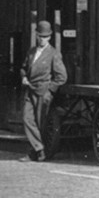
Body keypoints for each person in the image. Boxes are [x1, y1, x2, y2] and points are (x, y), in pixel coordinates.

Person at [20, 20, 66, 161]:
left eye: (45, 37)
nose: (42, 39)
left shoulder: (53, 54)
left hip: (43, 92)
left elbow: (62, 77)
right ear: (36, 35)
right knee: (27, 119)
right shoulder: (32, 52)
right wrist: (23, 77)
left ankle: (35, 152)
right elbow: (23, 67)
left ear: (50, 37)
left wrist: (50, 91)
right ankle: (39, 148)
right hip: (30, 90)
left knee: (41, 123)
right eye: (40, 36)